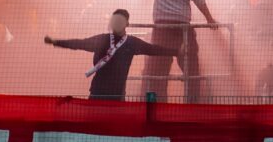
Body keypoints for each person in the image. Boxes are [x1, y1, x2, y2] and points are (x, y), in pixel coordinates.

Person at [45, 9, 177, 99]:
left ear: (127, 24)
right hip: (98, 93)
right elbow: (79, 43)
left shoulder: (131, 43)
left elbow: (153, 49)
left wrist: (175, 52)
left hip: (116, 95)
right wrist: (56, 42)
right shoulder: (103, 39)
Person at [144, 0, 218, 101]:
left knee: (157, 72)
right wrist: (209, 19)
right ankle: (192, 106)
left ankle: (157, 107)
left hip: (162, 30)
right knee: (191, 71)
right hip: (182, 29)